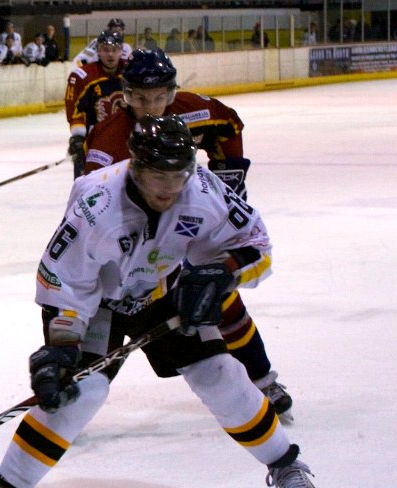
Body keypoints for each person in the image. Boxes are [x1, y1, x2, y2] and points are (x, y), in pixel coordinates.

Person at [0, 115, 319, 488]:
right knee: (81, 392)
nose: (169, 187)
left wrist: (224, 273)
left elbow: (257, 245)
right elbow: (65, 283)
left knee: (220, 374)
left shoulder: (203, 192)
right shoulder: (95, 202)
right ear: (135, 166)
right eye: (157, 175)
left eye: (178, 175)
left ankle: (285, 463)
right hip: (97, 304)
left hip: (161, 292)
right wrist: (61, 347)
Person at [80, 49, 294, 419]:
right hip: (130, 253)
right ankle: (73, 392)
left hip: (185, 226)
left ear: (172, 91)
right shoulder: (109, 140)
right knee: (102, 332)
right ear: (127, 95)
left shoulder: (190, 109)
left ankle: (262, 379)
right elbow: (91, 205)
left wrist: (229, 174)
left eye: (160, 96)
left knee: (218, 294)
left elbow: (229, 124)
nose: (152, 106)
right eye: (142, 98)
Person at [65, 30, 126, 178]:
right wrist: (78, 137)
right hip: (94, 141)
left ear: (121, 51)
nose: (110, 54)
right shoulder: (83, 76)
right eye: (105, 50)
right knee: (88, 188)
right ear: (98, 51)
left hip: (125, 139)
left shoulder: (131, 72)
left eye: (114, 50)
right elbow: (75, 110)